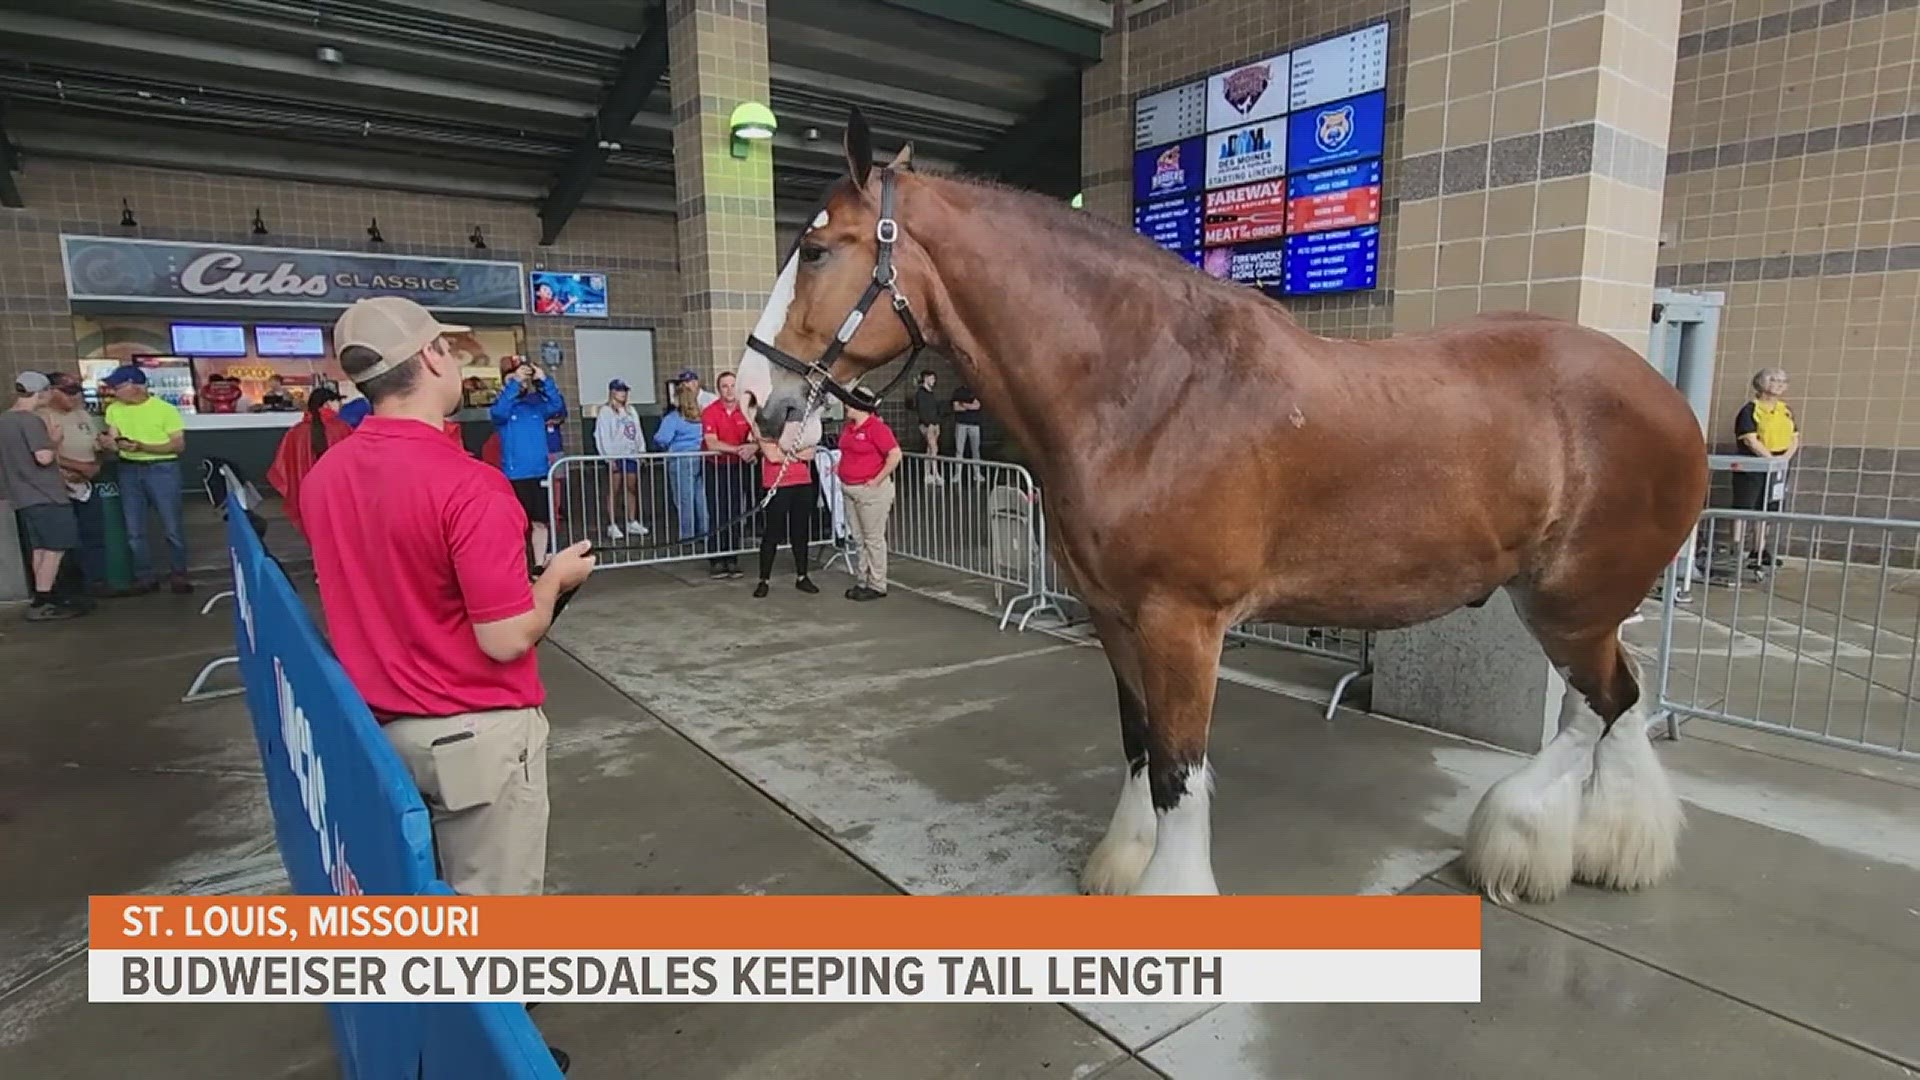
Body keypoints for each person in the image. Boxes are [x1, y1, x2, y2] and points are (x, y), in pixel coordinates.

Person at [301, 297, 590, 1075]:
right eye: (452, 352)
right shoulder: (470, 486)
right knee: (493, 920)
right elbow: (504, 637)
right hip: (478, 736)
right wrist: (554, 580)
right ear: (431, 359)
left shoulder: (326, 477)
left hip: (382, 729)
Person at [101, 364, 193, 594]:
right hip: (129, 468)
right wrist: (108, 444)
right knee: (134, 529)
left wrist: (143, 446)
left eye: (117, 386)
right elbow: (113, 439)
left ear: (133, 385)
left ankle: (179, 573)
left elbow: (178, 445)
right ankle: (145, 577)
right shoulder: (114, 409)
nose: (113, 391)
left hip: (162, 469)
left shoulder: (165, 410)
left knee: (171, 525)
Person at [1, 372, 86, 621]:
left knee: (40, 548)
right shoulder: (31, 421)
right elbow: (43, 457)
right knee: (54, 548)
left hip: (21, 495)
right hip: (46, 494)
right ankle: (44, 601)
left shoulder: (4, 420)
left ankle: (43, 594)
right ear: (42, 392)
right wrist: (55, 441)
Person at [489, 354, 567, 566]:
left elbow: (557, 406)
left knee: (541, 522)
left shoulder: (536, 405)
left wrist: (544, 380)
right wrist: (514, 382)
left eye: (523, 378)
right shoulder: (502, 406)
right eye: (514, 377)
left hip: (540, 472)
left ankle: (539, 565)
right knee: (516, 525)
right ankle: (517, 566)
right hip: (515, 475)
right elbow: (499, 412)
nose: (521, 381)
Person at [39, 373, 111, 598]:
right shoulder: (41, 417)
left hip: (88, 484)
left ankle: (95, 582)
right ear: (51, 391)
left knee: (94, 535)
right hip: (60, 486)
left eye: (77, 392)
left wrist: (101, 454)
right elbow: (42, 454)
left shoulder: (83, 414)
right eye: (68, 393)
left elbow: (94, 445)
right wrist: (77, 467)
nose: (74, 397)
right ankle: (70, 589)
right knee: (65, 542)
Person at [836, 387, 902, 601]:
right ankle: (862, 579)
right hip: (850, 488)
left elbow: (894, 454)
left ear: (859, 406)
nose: (846, 406)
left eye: (849, 403)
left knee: (872, 538)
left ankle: (877, 583)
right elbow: (848, 451)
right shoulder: (850, 428)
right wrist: (839, 466)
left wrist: (877, 479)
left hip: (870, 491)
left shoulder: (876, 428)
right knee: (858, 538)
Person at [1732, 367, 1798, 570]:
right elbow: (1751, 440)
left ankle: (1758, 550)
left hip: (1778, 464)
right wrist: (1769, 460)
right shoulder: (1750, 410)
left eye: (1783, 381)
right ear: (1761, 383)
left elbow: (1794, 437)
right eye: (1774, 380)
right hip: (1753, 464)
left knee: (1767, 508)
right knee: (1745, 507)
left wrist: (1784, 459)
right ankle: (1737, 551)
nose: (1779, 384)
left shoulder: (1784, 410)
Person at [265, 386, 351, 539]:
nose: (341, 405)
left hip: (306, 497)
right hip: (336, 496)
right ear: (327, 404)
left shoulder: (296, 432)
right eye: (337, 401)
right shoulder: (341, 429)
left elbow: (282, 468)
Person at [752, 429, 820, 599]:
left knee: (800, 531)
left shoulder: (800, 428)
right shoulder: (765, 427)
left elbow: (811, 452)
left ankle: (802, 576)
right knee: (773, 532)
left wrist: (785, 454)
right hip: (777, 483)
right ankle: (764, 579)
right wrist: (797, 455)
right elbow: (772, 456)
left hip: (802, 481)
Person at [700, 371, 755, 580]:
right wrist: (740, 449)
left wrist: (752, 447)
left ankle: (732, 557)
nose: (730, 390)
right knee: (716, 511)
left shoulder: (746, 411)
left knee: (735, 512)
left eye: (733, 385)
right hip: (715, 466)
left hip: (737, 467)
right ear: (718, 389)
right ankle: (716, 558)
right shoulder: (711, 411)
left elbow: (758, 436)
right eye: (725, 386)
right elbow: (712, 442)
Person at [653, 382, 710, 544]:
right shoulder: (701, 416)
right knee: (701, 497)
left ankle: (688, 537)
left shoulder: (674, 418)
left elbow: (662, 438)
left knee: (684, 499)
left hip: (680, 460)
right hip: (701, 457)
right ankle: (705, 534)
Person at [591, 378, 647, 542]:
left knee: (631, 487)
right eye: (619, 390)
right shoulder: (606, 411)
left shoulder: (631, 411)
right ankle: (612, 523)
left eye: (624, 391)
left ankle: (632, 520)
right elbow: (602, 435)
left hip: (630, 453)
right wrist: (608, 457)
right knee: (614, 489)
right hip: (615, 454)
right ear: (613, 392)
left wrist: (641, 451)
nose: (622, 394)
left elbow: (637, 431)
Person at [913, 369, 943, 485]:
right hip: (927, 425)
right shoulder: (920, 394)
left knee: (930, 450)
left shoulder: (931, 393)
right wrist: (928, 424)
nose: (933, 381)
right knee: (934, 448)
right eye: (931, 378)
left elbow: (935, 409)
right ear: (926, 378)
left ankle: (927, 474)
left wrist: (937, 423)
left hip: (934, 423)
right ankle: (936, 474)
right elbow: (921, 410)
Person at [951, 383, 985, 483]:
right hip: (961, 424)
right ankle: (957, 475)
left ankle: (977, 474)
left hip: (974, 424)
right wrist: (970, 405)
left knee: (976, 451)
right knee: (959, 450)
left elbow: (977, 406)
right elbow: (956, 407)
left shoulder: (977, 390)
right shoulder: (958, 391)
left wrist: (964, 404)